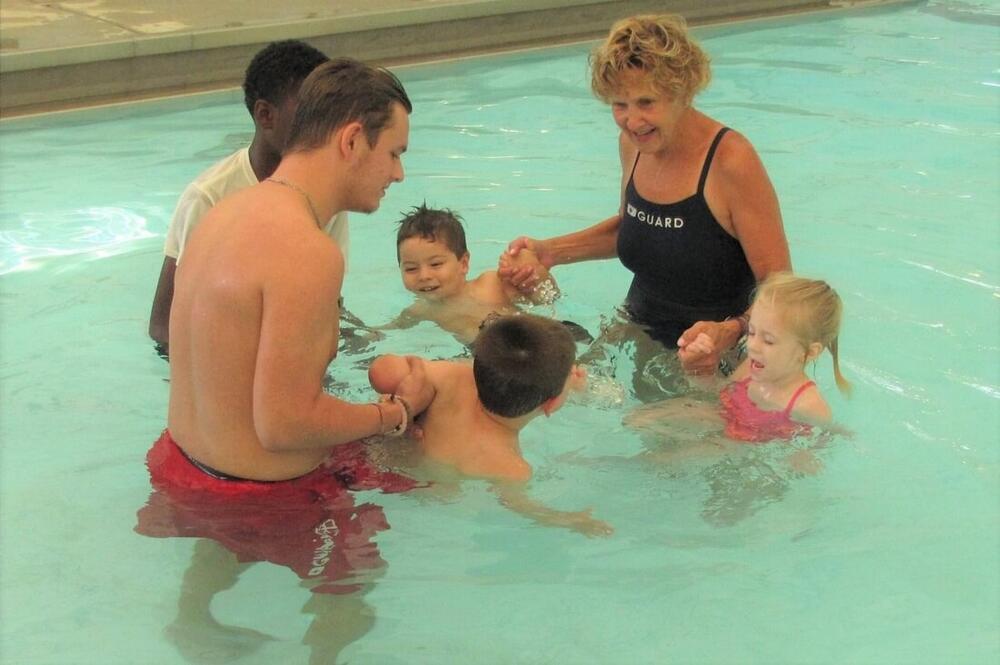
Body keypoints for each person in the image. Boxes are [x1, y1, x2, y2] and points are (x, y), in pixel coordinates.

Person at [156, 56, 433, 488]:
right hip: (264, 501)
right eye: (394, 153)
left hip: (181, 466)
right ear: (353, 140)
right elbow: (284, 424)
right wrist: (394, 412)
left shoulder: (220, 211)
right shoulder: (308, 250)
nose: (398, 174)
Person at [501, 14, 791, 375]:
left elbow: (781, 287)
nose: (632, 120)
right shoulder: (634, 144)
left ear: (683, 92)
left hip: (715, 352)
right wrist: (551, 252)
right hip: (638, 325)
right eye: (619, 105)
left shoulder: (731, 161)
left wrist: (730, 331)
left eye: (646, 102)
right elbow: (639, 227)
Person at [147, 40, 349, 356]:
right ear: (266, 115)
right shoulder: (210, 196)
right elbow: (163, 325)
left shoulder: (327, 197)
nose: (323, 130)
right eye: (310, 116)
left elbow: (328, 306)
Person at [368, 314, 612, 536]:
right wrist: (569, 520)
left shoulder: (447, 377)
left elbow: (380, 371)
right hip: (417, 497)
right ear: (551, 404)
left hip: (373, 459)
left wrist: (405, 398)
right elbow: (521, 508)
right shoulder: (510, 467)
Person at [627, 272, 851, 444]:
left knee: (663, 461)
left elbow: (821, 441)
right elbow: (715, 394)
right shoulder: (750, 367)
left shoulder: (808, 405)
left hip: (743, 446)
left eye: (769, 340)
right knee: (636, 419)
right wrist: (698, 368)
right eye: (752, 332)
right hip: (722, 418)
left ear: (810, 352)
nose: (753, 346)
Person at [387, 203, 559, 345]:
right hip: (488, 358)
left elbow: (547, 298)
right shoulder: (421, 310)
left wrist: (535, 272)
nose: (423, 275)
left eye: (435, 264)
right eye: (411, 268)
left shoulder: (491, 283)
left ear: (463, 263)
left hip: (535, 340)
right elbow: (393, 328)